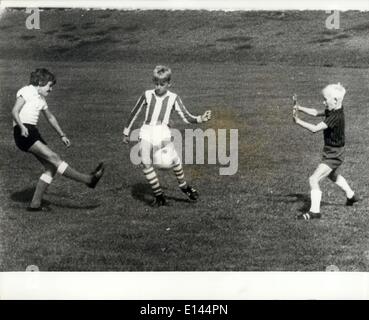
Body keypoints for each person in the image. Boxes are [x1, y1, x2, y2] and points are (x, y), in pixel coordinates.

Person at [12, 68, 105, 211]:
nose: (51, 90)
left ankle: (35, 204)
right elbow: (14, 111)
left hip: (32, 132)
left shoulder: (41, 99)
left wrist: (62, 135)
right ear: (40, 82)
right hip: (23, 132)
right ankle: (88, 180)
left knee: (51, 167)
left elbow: (50, 118)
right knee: (54, 157)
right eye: (49, 86)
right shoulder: (27, 90)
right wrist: (21, 126)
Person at [123, 65, 212, 206]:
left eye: (162, 84)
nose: (158, 87)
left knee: (174, 160)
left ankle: (184, 187)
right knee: (145, 161)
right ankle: (159, 196)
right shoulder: (147, 95)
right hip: (146, 131)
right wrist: (126, 132)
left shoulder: (173, 98)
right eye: (156, 83)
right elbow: (134, 112)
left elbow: (186, 116)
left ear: (169, 84)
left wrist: (201, 118)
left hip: (163, 131)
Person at [293, 83, 358, 220]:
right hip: (333, 151)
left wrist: (298, 121)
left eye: (325, 99)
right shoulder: (334, 110)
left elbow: (315, 128)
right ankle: (351, 195)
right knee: (332, 175)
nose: (323, 102)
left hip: (334, 154)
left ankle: (315, 211)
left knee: (313, 179)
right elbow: (316, 112)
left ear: (335, 100)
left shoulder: (335, 117)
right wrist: (299, 108)